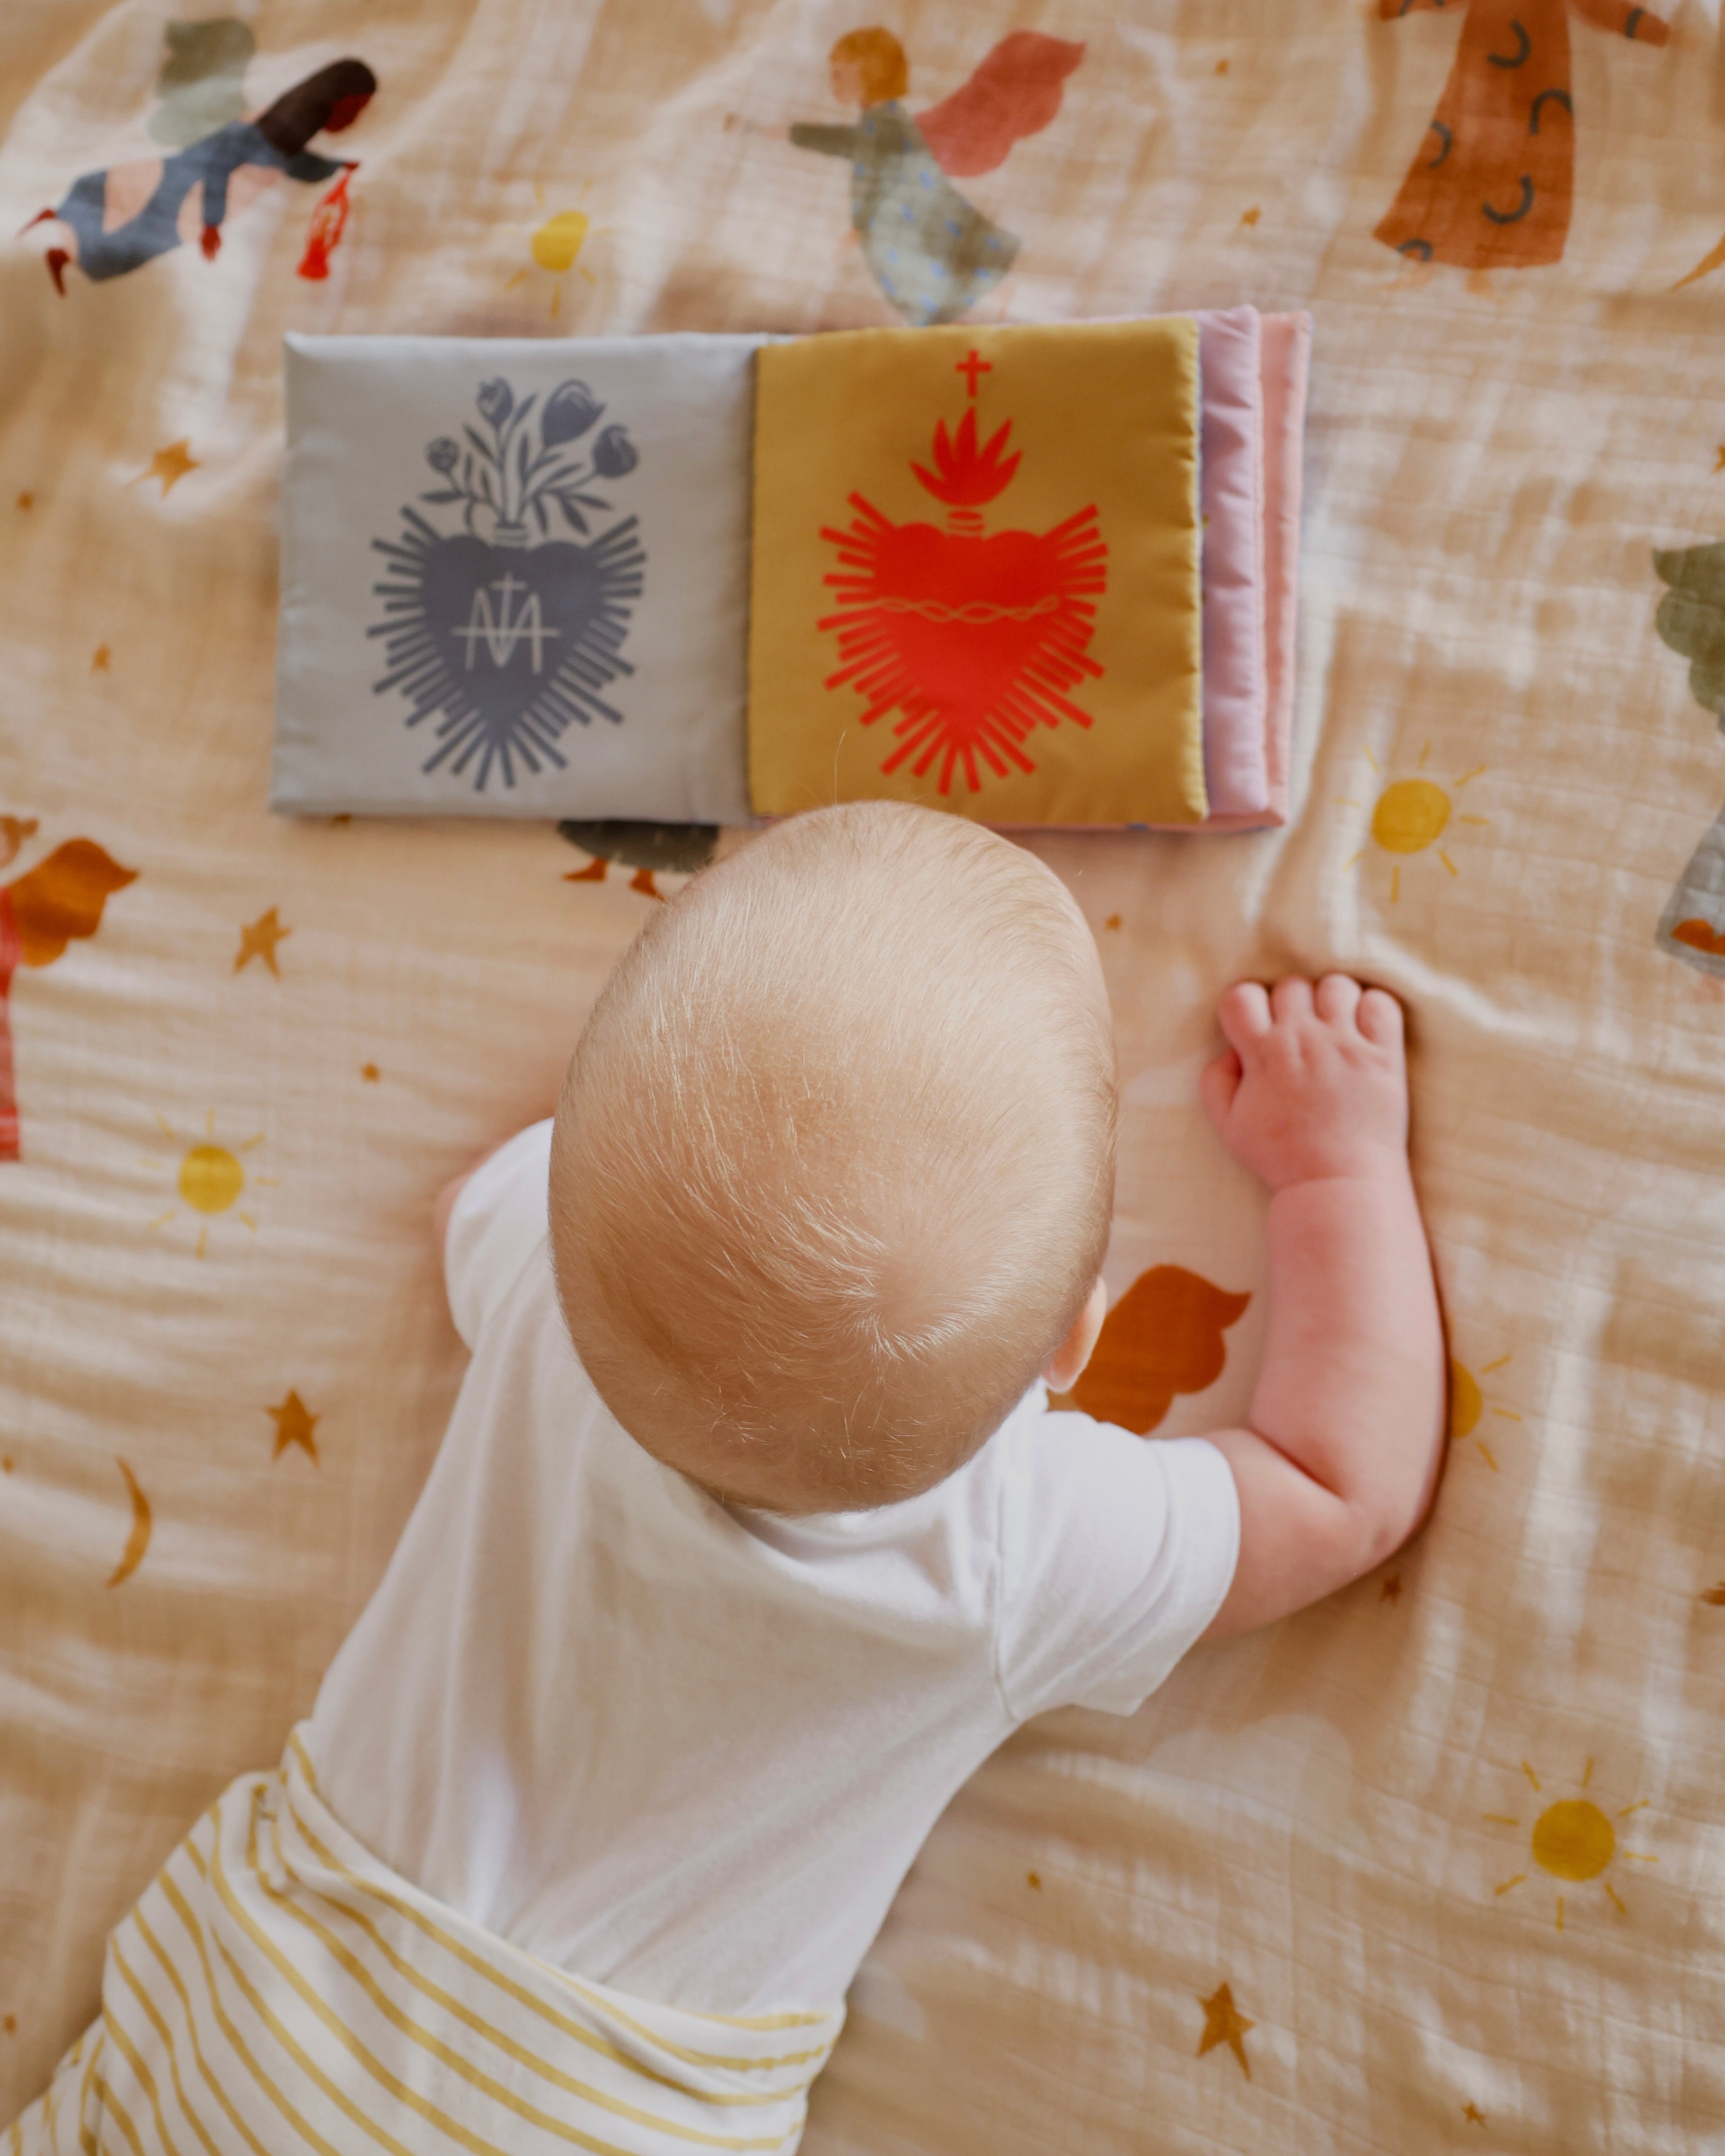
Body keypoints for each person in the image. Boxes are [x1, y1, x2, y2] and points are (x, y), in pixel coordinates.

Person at [6, 802, 1445, 2156]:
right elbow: (1341, 1490)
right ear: (1082, 1338)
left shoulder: (552, 1283)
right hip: (589, 2111)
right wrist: (1338, 1174)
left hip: (258, 2016)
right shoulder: (1013, 1550)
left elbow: (477, 1206)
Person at [19, 57, 375, 292]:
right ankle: (61, 238)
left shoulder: (289, 122)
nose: (354, 119)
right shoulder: (287, 125)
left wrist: (336, 167)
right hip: (195, 187)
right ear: (336, 97)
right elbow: (240, 162)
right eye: (354, 108)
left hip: (196, 180)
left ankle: (61, 240)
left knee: (134, 231)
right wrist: (211, 223)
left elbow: (289, 160)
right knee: (138, 241)